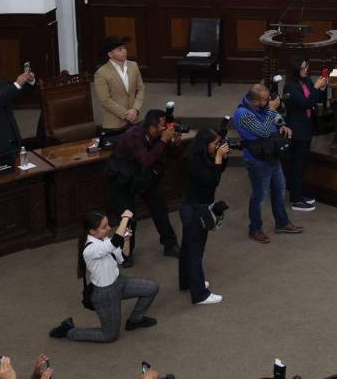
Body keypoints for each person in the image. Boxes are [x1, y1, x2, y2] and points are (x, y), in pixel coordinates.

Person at [50, 209, 160, 342]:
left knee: (152, 288)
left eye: (108, 225)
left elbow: (123, 257)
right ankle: (69, 330)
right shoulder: (90, 250)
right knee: (109, 336)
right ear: (92, 231)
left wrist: (126, 239)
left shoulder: (105, 239)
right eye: (104, 227)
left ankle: (135, 320)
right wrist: (125, 218)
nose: (108, 229)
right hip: (105, 294)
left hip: (119, 282)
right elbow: (114, 242)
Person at [108, 109, 180, 265]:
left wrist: (174, 141)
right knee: (128, 218)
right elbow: (146, 161)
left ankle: (170, 245)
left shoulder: (159, 135)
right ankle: (125, 253)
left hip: (144, 178)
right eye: (163, 125)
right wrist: (163, 141)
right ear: (152, 127)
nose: (165, 128)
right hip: (123, 179)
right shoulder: (134, 136)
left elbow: (173, 156)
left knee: (160, 209)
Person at [233, 83, 303, 242]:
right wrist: (272, 109)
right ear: (255, 101)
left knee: (279, 190)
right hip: (257, 161)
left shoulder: (261, 106)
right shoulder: (243, 114)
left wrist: (282, 125)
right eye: (266, 100)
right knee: (260, 196)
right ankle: (255, 229)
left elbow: (275, 119)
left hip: (272, 155)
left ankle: (282, 223)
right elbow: (264, 132)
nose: (269, 101)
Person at [179, 128, 228, 305]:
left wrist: (221, 156)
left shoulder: (201, 156)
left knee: (187, 248)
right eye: (215, 144)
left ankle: (187, 282)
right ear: (204, 144)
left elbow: (219, 170)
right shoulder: (194, 162)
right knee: (195, 252)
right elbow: (212, 181)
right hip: (195, 209)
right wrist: (218, 157)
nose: (217, 146)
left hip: (193, 205)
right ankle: (199, 294)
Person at [283, 54, 327, 212]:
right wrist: (316, 88)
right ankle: (295, 199)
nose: (306, 69)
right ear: (295, 69)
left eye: (307, 66)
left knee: (302, 164)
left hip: (308, 127)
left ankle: (300, 194)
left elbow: (317, 99)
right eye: (303, 67)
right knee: (297, 166)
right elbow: (305, 103)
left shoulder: (306, 80)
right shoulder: (290, 86)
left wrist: (322, 87)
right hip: (297, 130)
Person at [93, 36, 146, 130]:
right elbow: (105, 100)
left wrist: (135, 109)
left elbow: (141, 88)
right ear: (110, 54)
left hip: (135, 119)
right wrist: (125, 114)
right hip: (114, 123)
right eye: (119, 50)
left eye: (124, 48)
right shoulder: (101, 73)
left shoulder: (133, 66)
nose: (124, 51)